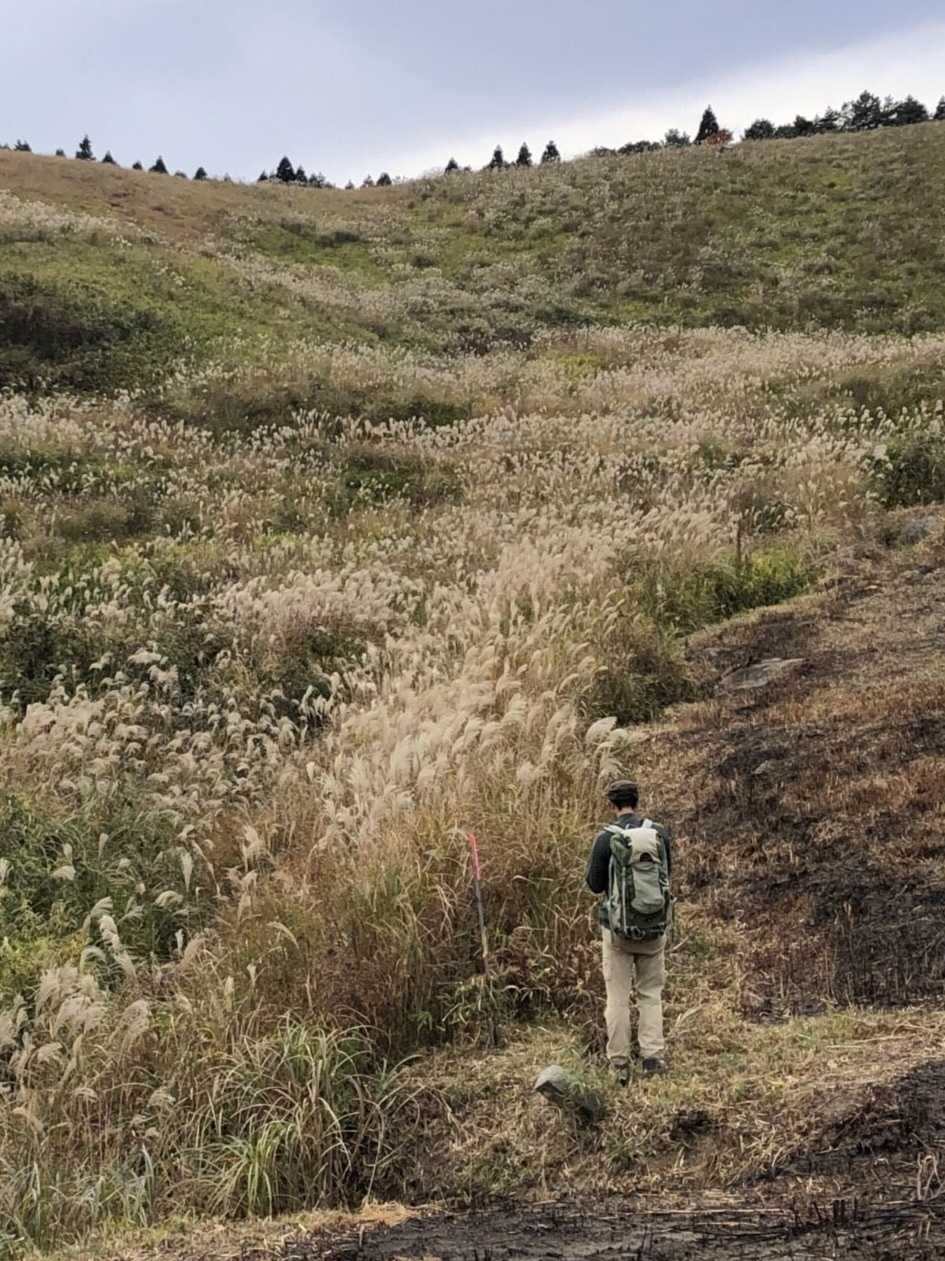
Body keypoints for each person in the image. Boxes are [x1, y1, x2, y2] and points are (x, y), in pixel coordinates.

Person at [586, 779, 673, 1084]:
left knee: (618, 998)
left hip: (617, 933)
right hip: (654, 928)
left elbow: (594, 884)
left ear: (611, 805)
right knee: (650, 994)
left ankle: (620, 1065)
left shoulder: (605, 838)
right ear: (637, 801)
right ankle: (653, 1058)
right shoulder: (659, 833)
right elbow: (667, 876)